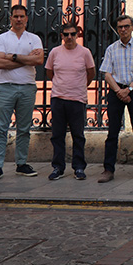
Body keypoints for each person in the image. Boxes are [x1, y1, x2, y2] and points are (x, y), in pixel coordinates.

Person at [0, 4, 44, 181]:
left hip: (27, 87)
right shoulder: (1, 39)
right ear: (10, 18)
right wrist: (27, 60)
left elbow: (40, 59)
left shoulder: (34, 38)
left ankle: (21, 164)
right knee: (1, 128)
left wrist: (12, 56)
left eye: (22, 16)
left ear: (27, 18)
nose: (19, 19)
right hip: (5, 87)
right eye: (15, 16)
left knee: (24, 129)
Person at [98, 14, 133, 183]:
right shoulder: (111, 49)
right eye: (120, 27)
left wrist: (128, 90)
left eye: (126, 26)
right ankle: (108, 169)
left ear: (132, 27)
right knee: (112, 132)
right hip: (116, 91)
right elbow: (106, 73)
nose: (123, 29)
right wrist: (119, 91)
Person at [45, 23, 96, 181]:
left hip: (77, 99)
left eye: (72, 34)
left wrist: (78, 86)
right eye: (66, 34)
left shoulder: (85, 52)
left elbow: (91, 73)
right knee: (57, 135)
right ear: (61, 36)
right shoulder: (55, 52)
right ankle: (58, 167)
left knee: (78, 135)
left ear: (77, 35)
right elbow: (49, 72)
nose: (69, 37)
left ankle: (79, 167)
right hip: (58, 99)